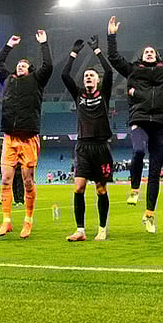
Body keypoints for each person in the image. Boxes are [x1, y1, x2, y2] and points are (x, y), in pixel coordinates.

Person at [108, 14, 163, 233]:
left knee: (155, 171)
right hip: (139, 119)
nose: (149, 52)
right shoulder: (133, 70)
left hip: (161, 123)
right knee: (137, 151)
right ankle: (134, 188)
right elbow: (115, 58)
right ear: (141, 56)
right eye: (146, 51)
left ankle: (149, 215)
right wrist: (111, 36)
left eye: (152, 51)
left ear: (156, 56)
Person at [0, 30, 53, 238]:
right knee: (6, 181)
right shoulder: (8, 80)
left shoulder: (37, 80)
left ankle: (28, 220)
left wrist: (43, 43)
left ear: (30, 69)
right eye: (18, 64)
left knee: (28, 181)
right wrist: (8, 45)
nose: (20, 66)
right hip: (10, 137)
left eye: (24, 65)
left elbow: (49, 66)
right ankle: (6, 221)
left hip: (28, 138)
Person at [61, 35, 115, 242]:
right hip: (83, 147)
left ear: (98, 80)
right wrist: (73, 54)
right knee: (79, 187)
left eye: (92, 75)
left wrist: (97, 51)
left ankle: (102, 229)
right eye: (86, 76)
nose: (88, 78)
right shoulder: (78, 95)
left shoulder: (104, 94)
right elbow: (65, 74)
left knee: (101, 190)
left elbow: (109, 71)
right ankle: (80, 230)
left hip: (101, 148)